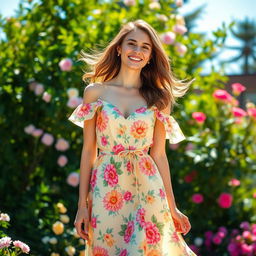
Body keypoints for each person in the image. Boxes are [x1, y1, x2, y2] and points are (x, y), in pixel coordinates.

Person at [68, 19, 197, 256]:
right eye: (132, 44)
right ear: (119, 48)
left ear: (150, 56)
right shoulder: (95, 93)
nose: (137, 51)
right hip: (106, 190)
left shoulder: (159, 98)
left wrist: (173, 207)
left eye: (145, 47)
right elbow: (89, 151)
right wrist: (82, 206)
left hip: (147, 188)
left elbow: (159, 154)